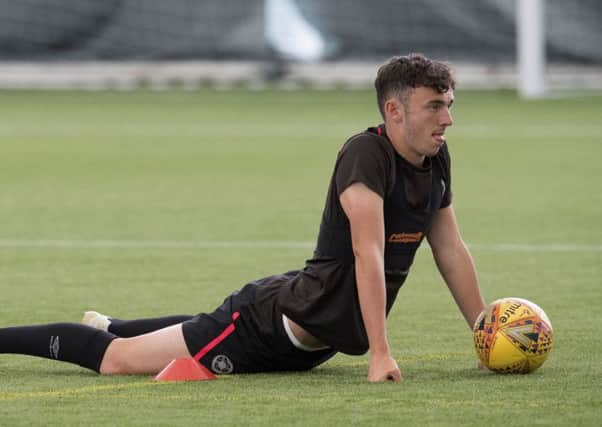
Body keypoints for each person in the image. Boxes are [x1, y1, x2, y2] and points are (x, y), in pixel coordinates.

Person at [0, 53, 485, 382]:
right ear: (394, 110)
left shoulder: (435, 160)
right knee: (117, 361)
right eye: (435, 106)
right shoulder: (366, 154)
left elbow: (450, 250)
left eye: (450, 105)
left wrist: (484, 331)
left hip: (308, 342)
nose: (447, 119)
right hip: (268, 325)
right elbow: (368, 252)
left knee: (195, 328)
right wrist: (380, 353)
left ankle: (111, 322)